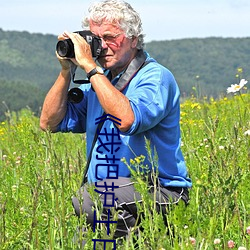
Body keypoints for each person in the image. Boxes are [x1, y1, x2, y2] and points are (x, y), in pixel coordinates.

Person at [40, 0, 192, 246]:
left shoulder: (155, 77)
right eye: (96, 39)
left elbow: (127, 120)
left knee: (91, 199)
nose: (102, 47)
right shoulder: (98, 83)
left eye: (110, 37)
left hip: (161, 191)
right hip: (112, 199)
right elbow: (49, 122)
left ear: (133, 39)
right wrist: (66, 70)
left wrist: (90, 68)